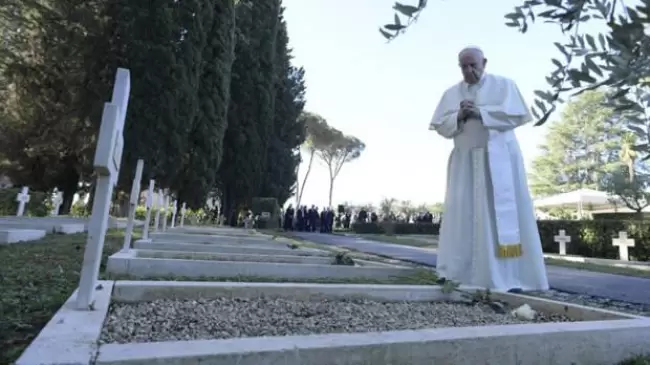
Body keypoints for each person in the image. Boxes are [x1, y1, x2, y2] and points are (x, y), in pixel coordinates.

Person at [428, 46, 549, 292]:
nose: (469, 70)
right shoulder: (451, 93)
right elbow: (440, 126)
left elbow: (517, 117)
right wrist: (459, 115)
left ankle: (509, 277)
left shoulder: (505, 85)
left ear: (484, 62)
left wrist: (481, 113)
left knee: (497, 218)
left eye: (473, 65)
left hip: (499, 161)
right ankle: (458, 273)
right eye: (464, 66)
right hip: (464, 163)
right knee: (463, 215)